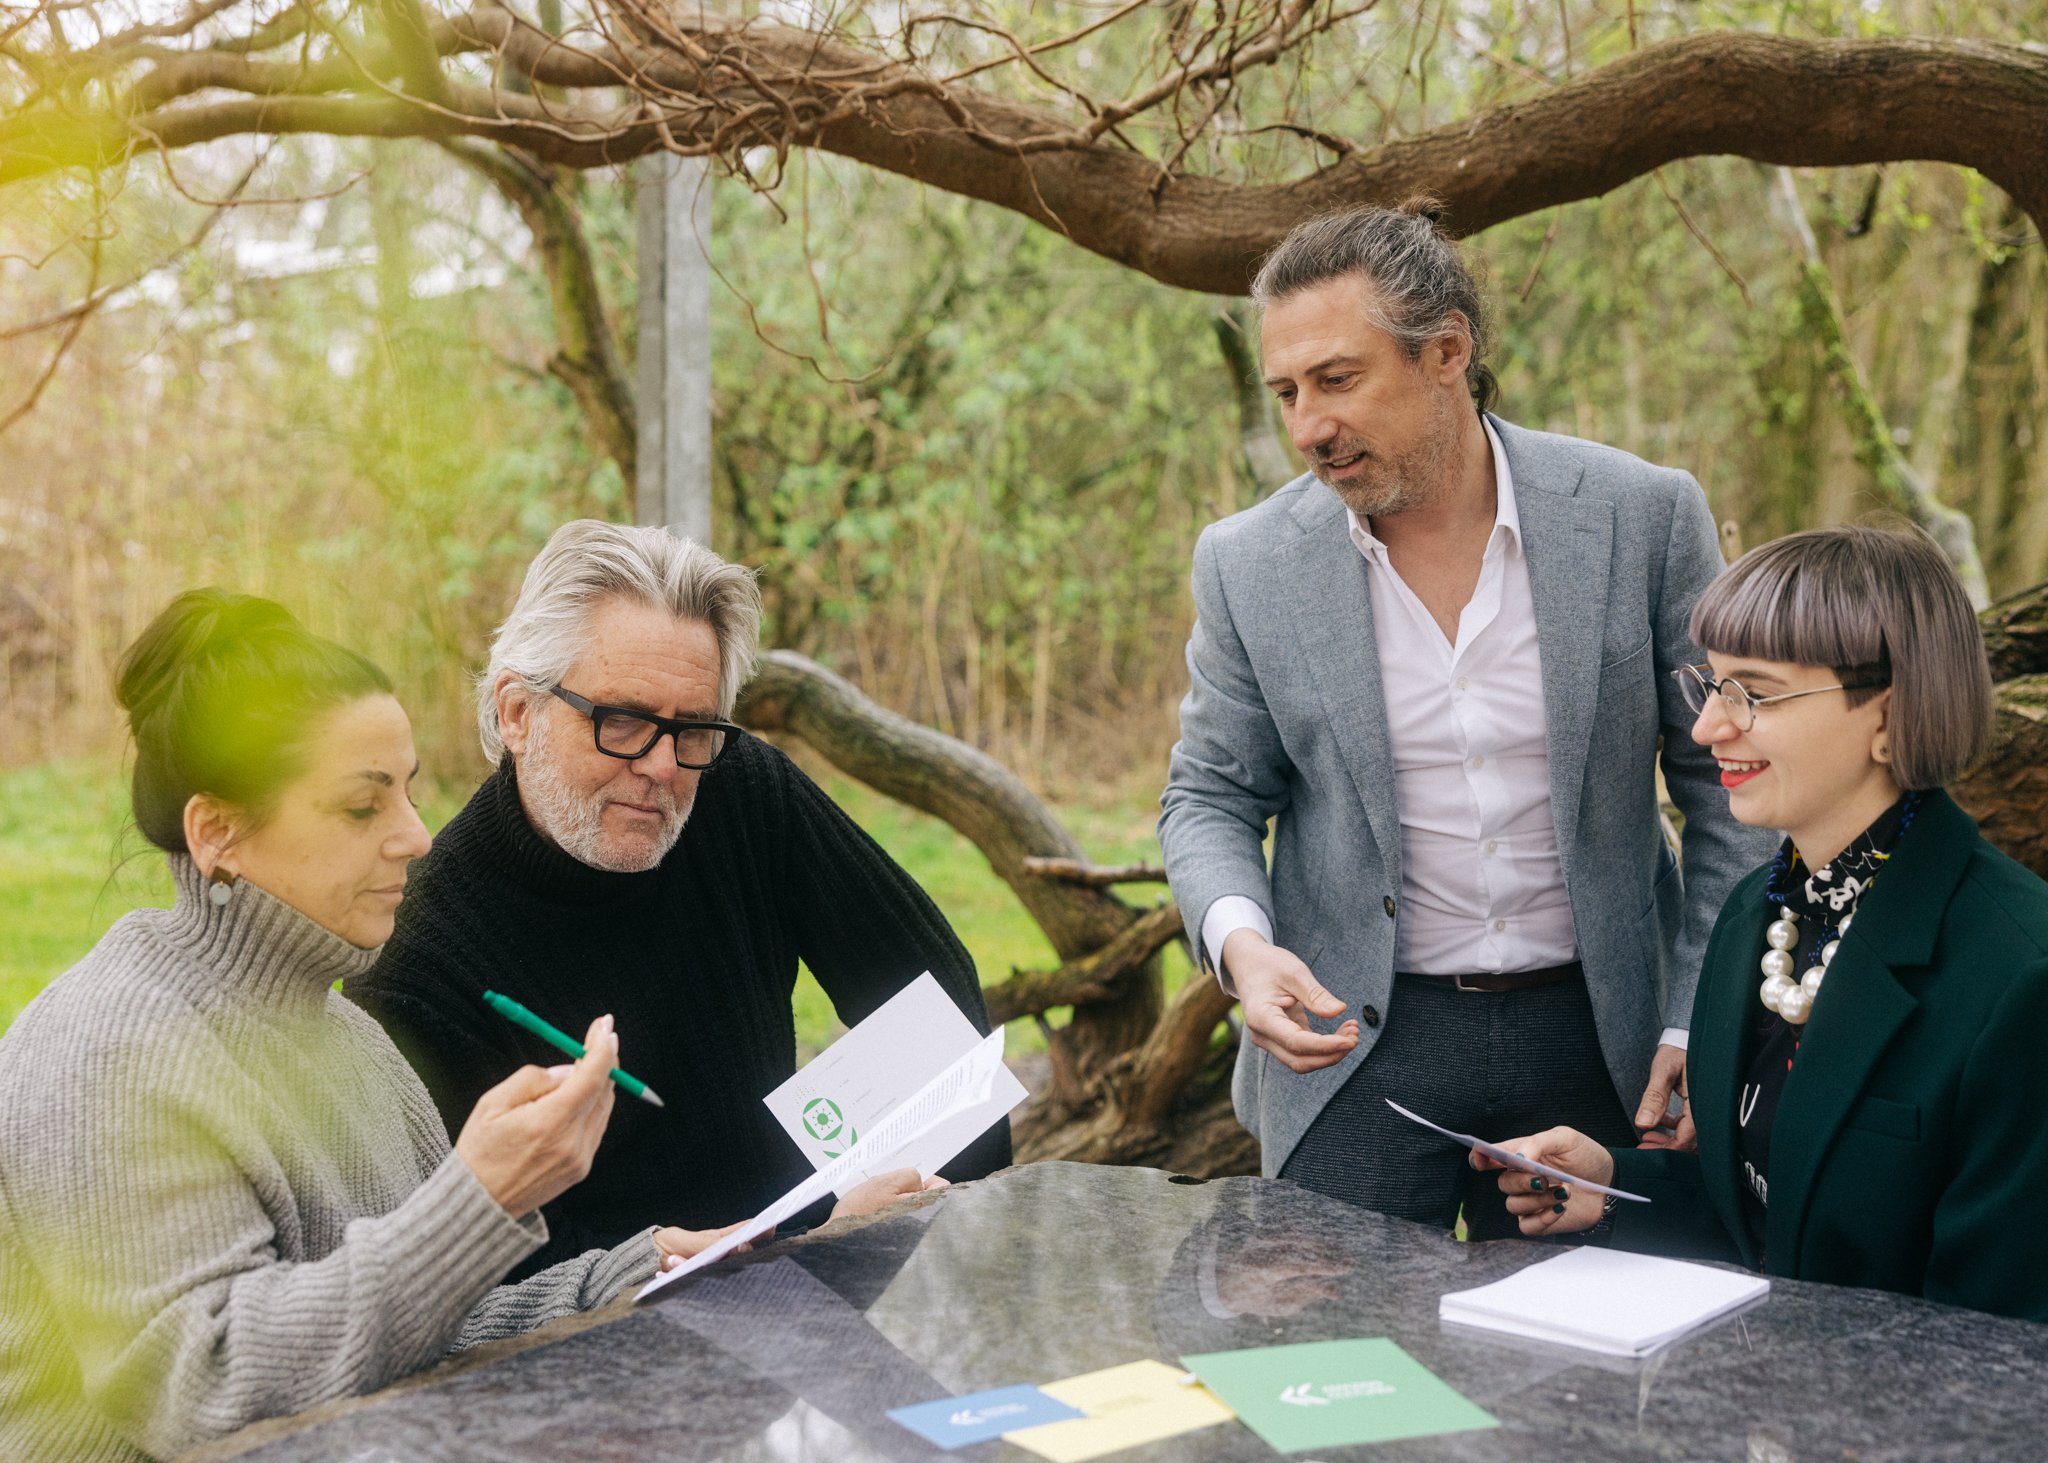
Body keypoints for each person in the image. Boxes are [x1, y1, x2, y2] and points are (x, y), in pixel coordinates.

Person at [0, 591, 749, 1462]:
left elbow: (425, 1327)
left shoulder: (351, 1039)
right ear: (218, 832)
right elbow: (204, 1389)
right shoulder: (108, 1054)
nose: (417, 837)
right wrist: (480, 1199)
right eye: (364, 807)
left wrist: (633, 1271)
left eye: (408, 792)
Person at [1158, 201, 1774, 1234]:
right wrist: (1240, 945)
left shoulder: (1642, 515)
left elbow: (1723, 782)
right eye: (1286, 391)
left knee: (1586, 1380)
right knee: (1331, 1375)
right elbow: (1208, 793)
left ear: (1446, 350)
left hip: (1605, 1034)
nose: (1306, 425)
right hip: (1354, 1043)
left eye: (1336, 379)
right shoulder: (1245, 561)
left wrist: (1694, 1013)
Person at [350, 520, 1010, 1277]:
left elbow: (932, 997)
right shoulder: (416, 966)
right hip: (609, 1347)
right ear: (516, 713)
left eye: (692, 728)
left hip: (816, 1272)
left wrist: (896, 1191)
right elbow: (506, 1282)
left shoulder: (740, 792)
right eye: (622, 721)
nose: (663, 766)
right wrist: (805, 1245)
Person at [1478, 526, 2048, 1320]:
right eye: (1710, 684)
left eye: (1756, 691)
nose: (1710, 726)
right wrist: (1611, 1185)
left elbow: (2003, 1337)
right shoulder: (1753, 915)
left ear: (1889, 713)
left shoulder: (2022, 978)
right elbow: (1763, 1206)